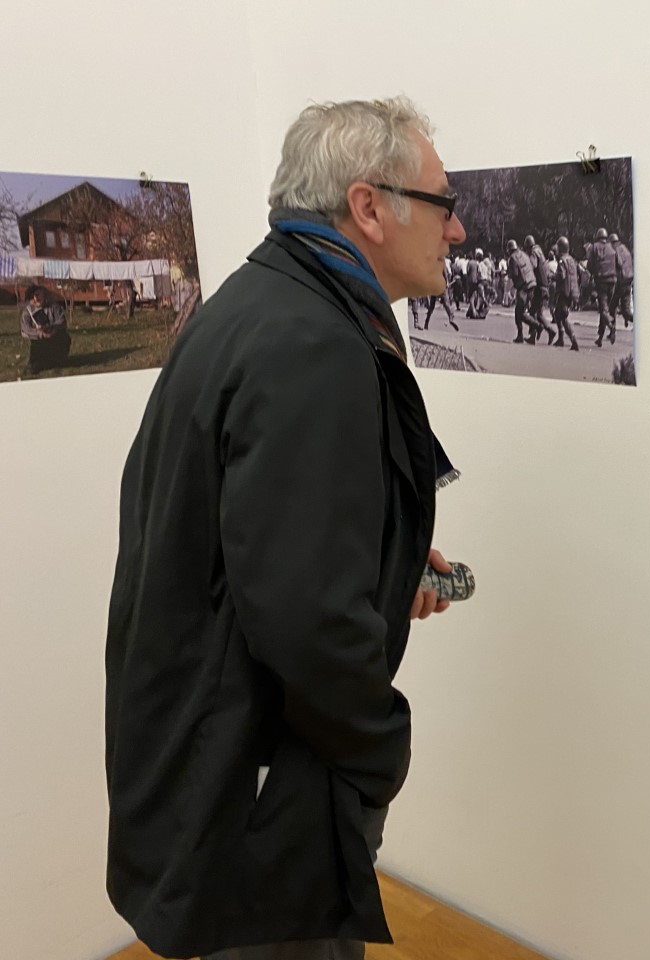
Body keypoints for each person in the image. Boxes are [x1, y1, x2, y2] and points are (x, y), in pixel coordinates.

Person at [105, 97, 467, 960]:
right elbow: (303, 613)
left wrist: (386, 560)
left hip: (218, 745)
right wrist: (380, 747)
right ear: (368, 206)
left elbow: (254, 533)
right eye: (444, 204)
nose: (457, 230)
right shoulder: (314, 343)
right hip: (263, 778)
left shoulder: (264, 303)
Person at [19, 285, 71, 375]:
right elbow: (25, 329)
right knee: (37, 346)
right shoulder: (27, 312)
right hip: (38, 338)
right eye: (32, 297)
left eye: (37, 295)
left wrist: (50, 329)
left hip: (54, 335)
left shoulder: (54, 306)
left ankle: (58, 360)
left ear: (43, 293)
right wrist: (40, 333)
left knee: (65, 338)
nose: (36, 299)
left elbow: (62, 321)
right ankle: (36, 364)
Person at [506, 238, 547, 343]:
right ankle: (522, 334)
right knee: (520, 311)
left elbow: (514, 274)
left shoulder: (512, 258)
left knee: (519, 313)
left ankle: (537, 326)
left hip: (524, 286)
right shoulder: (524, 254)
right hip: (532, 283)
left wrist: (510, 276)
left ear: (509, 250)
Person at [587, 227, 618, 346]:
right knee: (604, 309)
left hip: (601, 281)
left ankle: (611, 325)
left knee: (603, 309)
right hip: (613, 281)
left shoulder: (594, 247)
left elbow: (590, 265)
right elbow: (618, 264)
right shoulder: (612, 247)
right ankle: (600, 337)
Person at [551, 236, 580, 350]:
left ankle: (574, 341)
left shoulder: (562, 260)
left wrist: (553, 276)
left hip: (564, 291)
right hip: (572, 291)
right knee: (558, 315)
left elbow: (561, 275)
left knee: (562, 317)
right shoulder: (572, 260)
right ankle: (561, 338)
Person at [609, 232, 635, 329]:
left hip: (620, 282)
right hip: (629, 281)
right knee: (626, 311)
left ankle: (612, 331)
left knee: (612, 307)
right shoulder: (625, 249)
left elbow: (619, 263)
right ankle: (638, 322)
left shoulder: (615, 250)